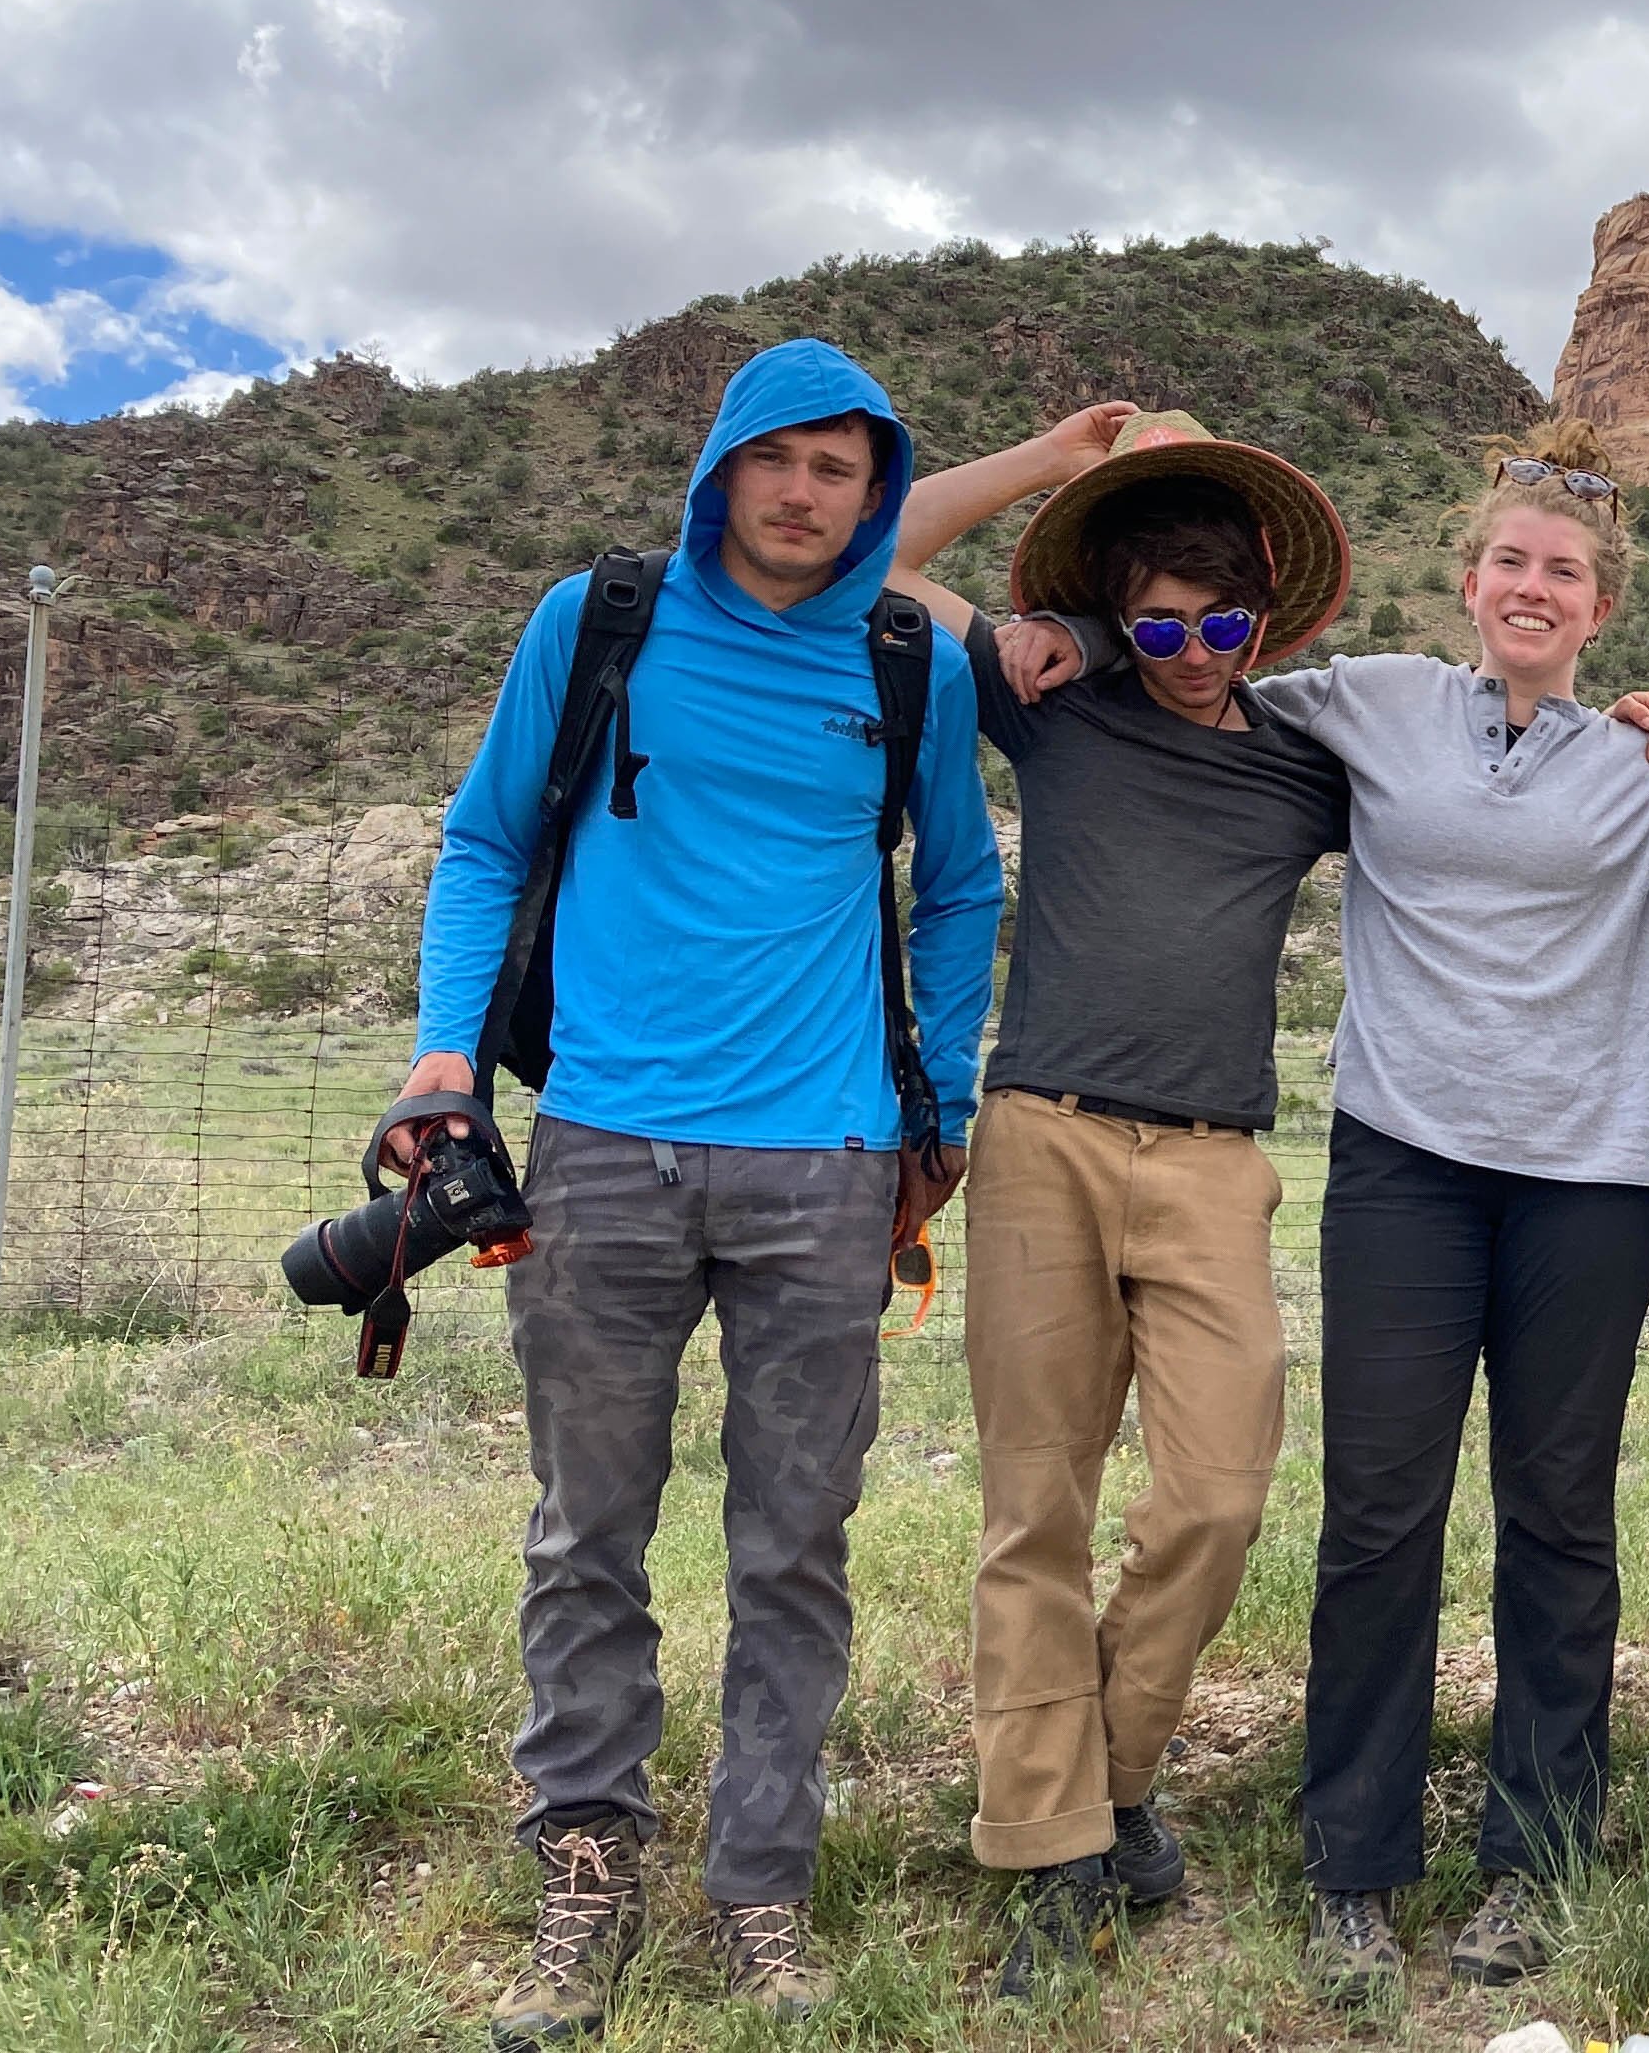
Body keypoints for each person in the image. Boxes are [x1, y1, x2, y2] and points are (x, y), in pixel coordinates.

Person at [1093, 420, 1649, 2011]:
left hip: (1592, 1174)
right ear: (1470, 575)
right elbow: (1190, 673)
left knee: (1559, 1515)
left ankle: (1534, 1856)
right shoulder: (1366, 702)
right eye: (1509, 560)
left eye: (1563, 570)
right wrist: (1060, 630)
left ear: (1601, 602)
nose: (1531, 586)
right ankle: (1355, 1856)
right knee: (1379, 1510)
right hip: (1402, 1161)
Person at [405, 338, 1007, 2042]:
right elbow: (485, 839)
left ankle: (759, 1884)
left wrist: (935, 1100)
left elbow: (959, 886)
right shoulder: (595, 621)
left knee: (794, 1542)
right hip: (604, 1145)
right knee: (587, 1527)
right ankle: (585, 1861)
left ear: (876, 489)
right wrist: (449, 1054)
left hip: (825, 1163)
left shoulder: (907, 661)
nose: (808, 494)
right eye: (780, 460)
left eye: (843, 467)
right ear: (723, 466)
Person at [876, 404, 1359, 1998]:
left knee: (1217, 1496)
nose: (1192, 650)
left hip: (1217, 1157)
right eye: (1158, 620)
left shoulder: (1305, 765)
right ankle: (1044, 1853)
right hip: (1042, 1138)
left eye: (1221, 623)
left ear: (1265, 620)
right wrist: (1044, 488)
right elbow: (869, 552)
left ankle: (1117, 1775)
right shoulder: (1057, 709)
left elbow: (1499, 783)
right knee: (1040, 1510)